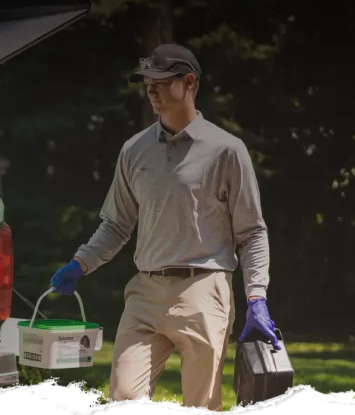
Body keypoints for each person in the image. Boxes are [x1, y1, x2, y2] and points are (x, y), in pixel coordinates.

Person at [49, 43, 278, 411]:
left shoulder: (227, 150)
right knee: (123, 398)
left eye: (160, 81)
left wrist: (257, 297)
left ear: (189, 83)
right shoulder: (134, 150)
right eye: (146, 83)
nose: (151, 90)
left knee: (200, 407)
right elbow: (117, 224)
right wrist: (81, 263)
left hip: (204, 292)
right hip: (145, 293)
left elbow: (251, 233)